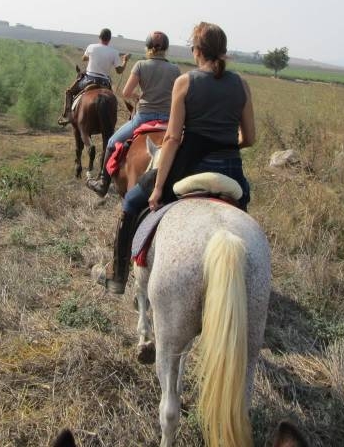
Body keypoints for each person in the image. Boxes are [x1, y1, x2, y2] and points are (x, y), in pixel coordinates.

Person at [92, 21, 256, 294]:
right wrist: (227, 144)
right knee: (243, 206)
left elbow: (172, 139)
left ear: (197, 51)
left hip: (189, 166)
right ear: (223, 52)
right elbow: (249, 138)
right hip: (231, 168)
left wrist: (157, 190)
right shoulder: (242, 84)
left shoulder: (186, 82)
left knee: (132, 202)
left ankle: (117, 275)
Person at [85, 30, 180, 197]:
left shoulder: (141, 65)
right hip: (168, 119)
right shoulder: (174, 69)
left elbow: (126, 92)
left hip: (144, 117)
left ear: (148, 47)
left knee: (112, 142)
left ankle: (102, 183)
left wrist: (139, 96)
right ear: (165, 49)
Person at [57, 28, 129, 125]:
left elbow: (84, 58)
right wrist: (125, 61)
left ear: (99, 37)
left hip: (88, 80)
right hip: (105, 83)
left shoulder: (91, 47)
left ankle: (67, 116)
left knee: (69, 92)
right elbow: (119, 71)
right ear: (109, 39)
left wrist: (92, 56)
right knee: (112, 100)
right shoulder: (114, 52)